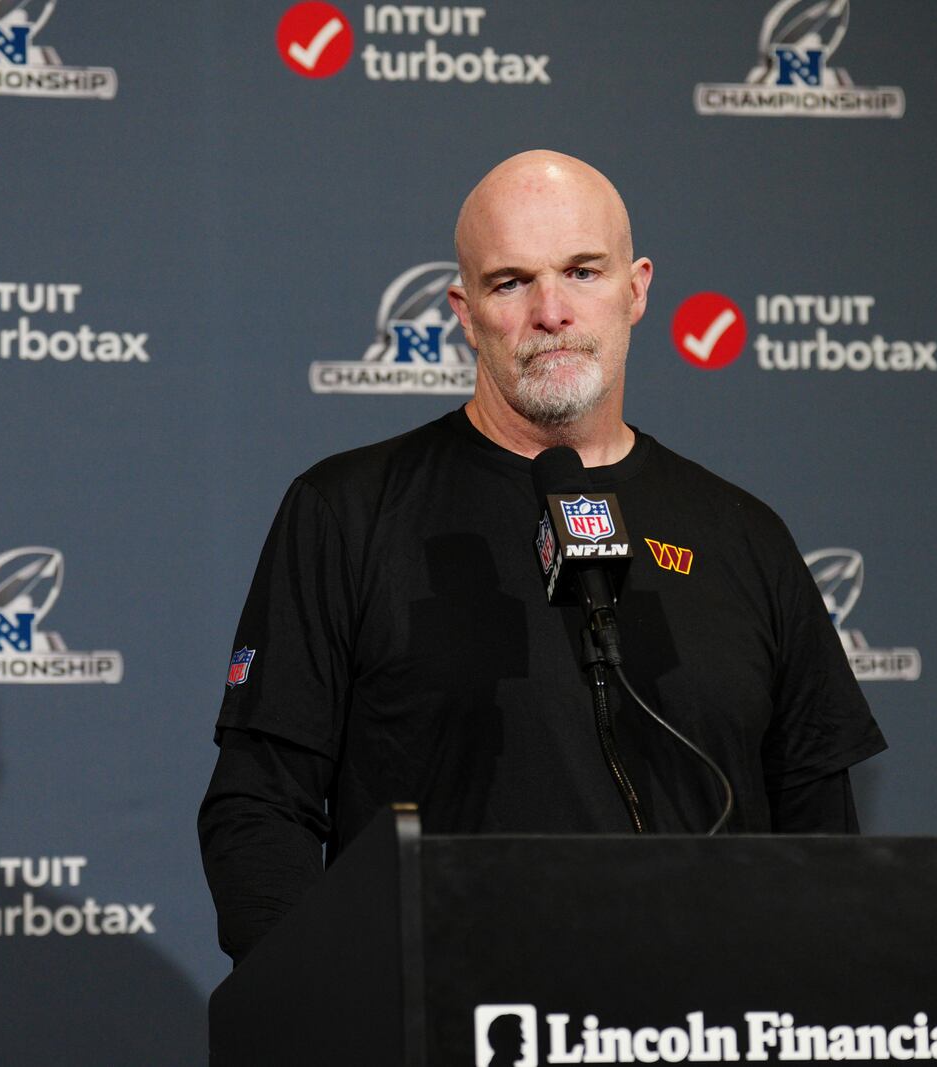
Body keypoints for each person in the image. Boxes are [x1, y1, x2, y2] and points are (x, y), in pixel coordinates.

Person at [198, 150, 886, 965]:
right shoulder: (345, 511)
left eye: (583, 271)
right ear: (463, 309)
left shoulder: (745, 534)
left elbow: (822, 835)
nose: (551, 310)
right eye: (511, 282)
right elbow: (258, 814)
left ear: (637, 290)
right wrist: (340, 1008)